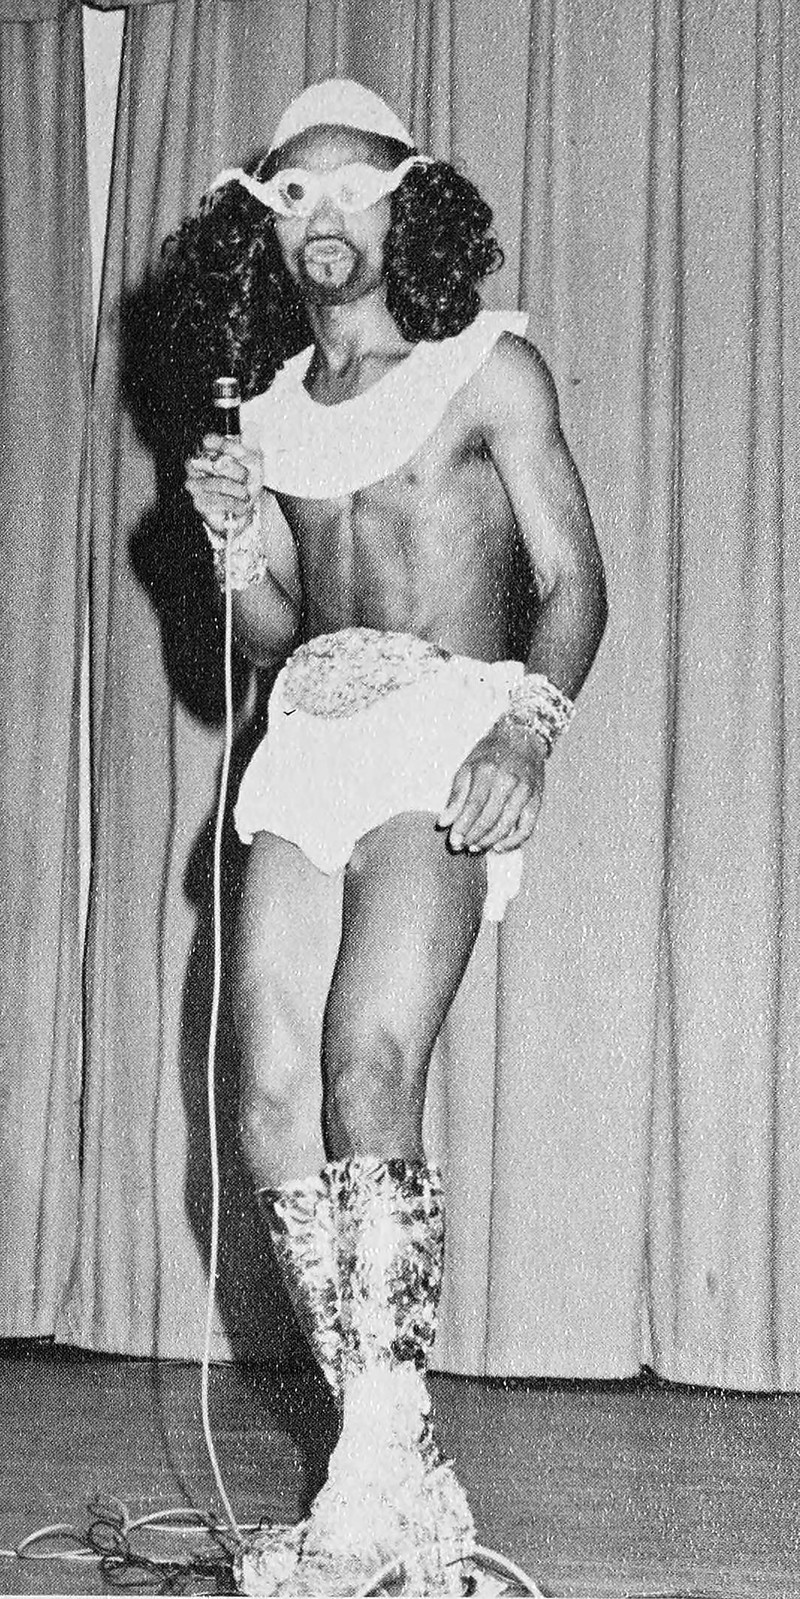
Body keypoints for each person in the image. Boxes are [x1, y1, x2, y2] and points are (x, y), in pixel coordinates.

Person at [172, 78, 608, 1598]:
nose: (325, 217)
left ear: (405, 203)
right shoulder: (268, 413)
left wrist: (525, 731)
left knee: (368, 1066)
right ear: (268, 225)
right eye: (293, 194)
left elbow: (574, 580)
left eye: (353, 187)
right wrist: (234, 538)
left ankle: (376, 1467)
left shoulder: (490, 369)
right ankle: (388, 1450)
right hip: (310, 738)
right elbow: (272, 637)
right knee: (268, 1100)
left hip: (445, 724)